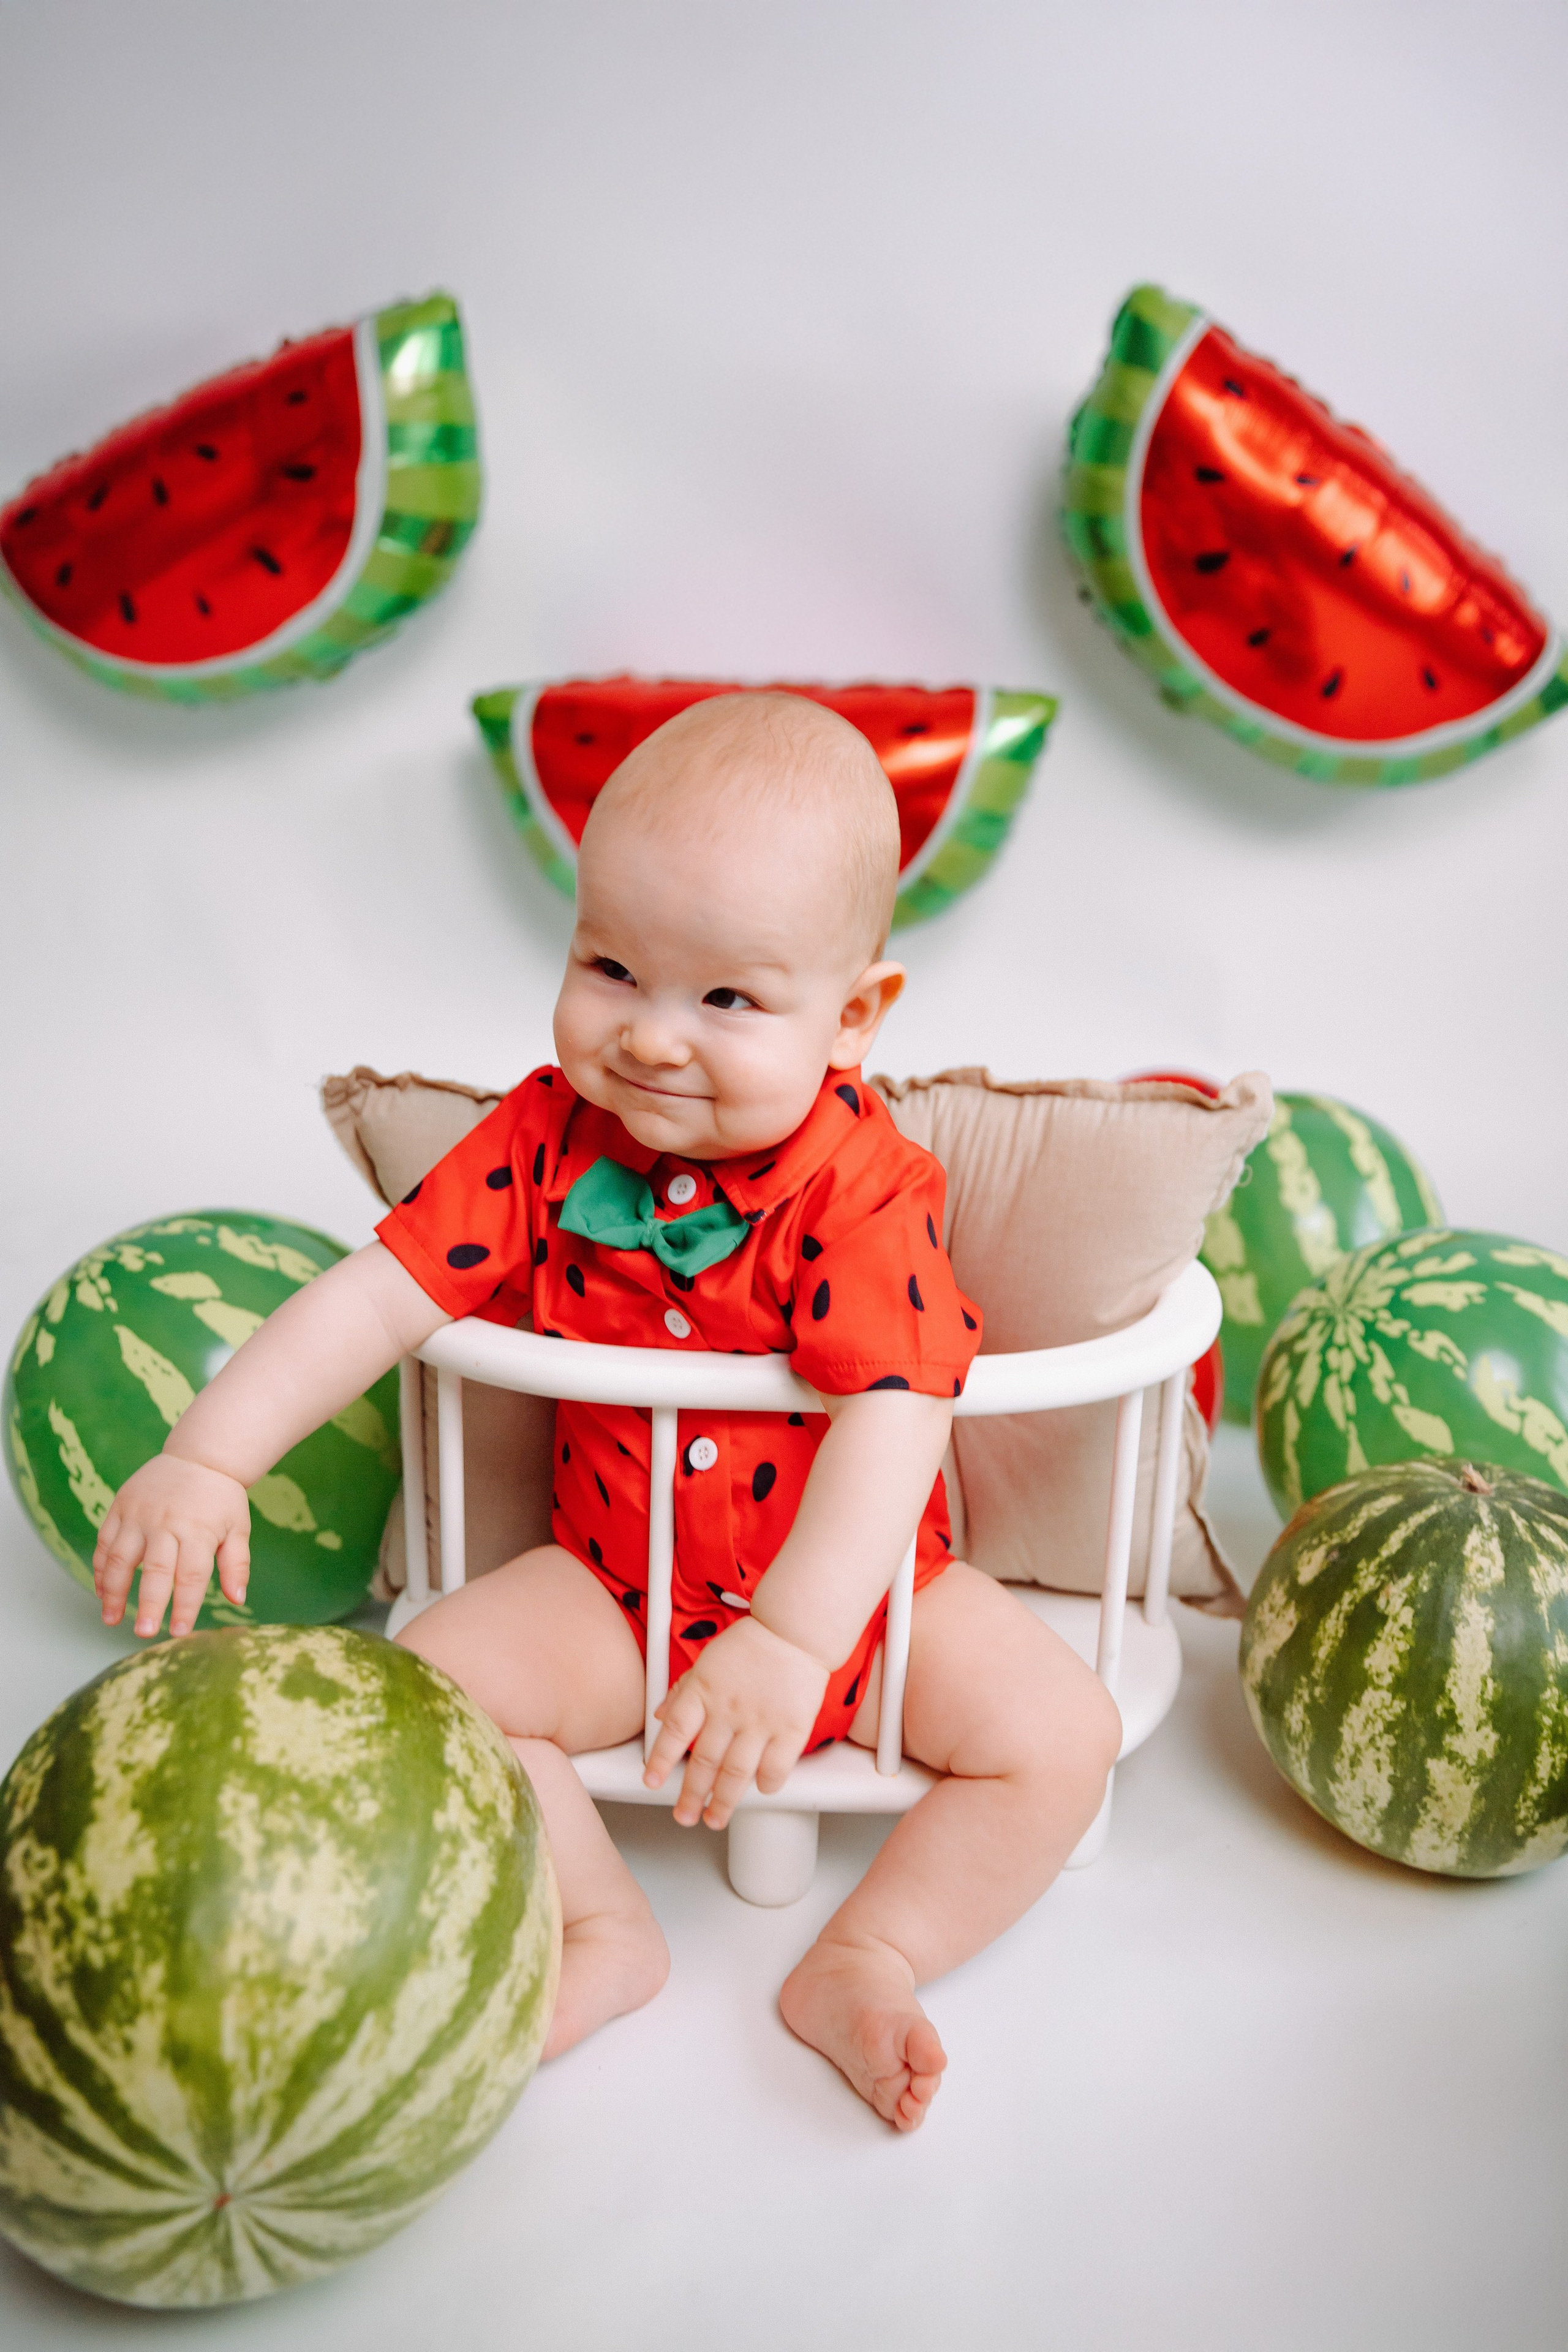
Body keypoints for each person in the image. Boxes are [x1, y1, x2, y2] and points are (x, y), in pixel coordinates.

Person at [92, 693, 1121, 2132]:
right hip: (612, 1588)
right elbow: (378, 1299)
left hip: (863, 1610)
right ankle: (601, 1926)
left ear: (853, 1018)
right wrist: (210, 1456)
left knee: (1064, 1735)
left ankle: (870, 1955)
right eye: (609, 966)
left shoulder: (864, 1188)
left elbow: (896, 1421)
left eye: (725, 1000)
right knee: (430, 1683)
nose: (649, 1036)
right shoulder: (538, 1139)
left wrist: (792, 1640)